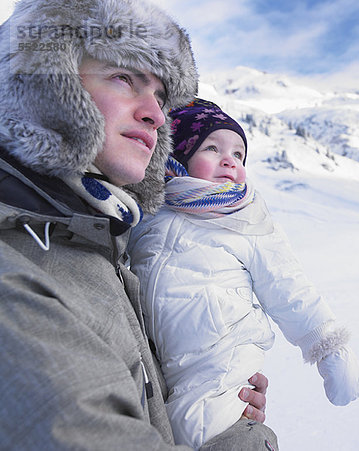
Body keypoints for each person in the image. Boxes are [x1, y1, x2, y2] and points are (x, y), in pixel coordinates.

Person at [0, 0, 275, 449]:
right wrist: (244, 440)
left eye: (162, 96)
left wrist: (203, 400)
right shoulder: (17, 273)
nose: (157, 114)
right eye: (125, 78)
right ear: (43, 85)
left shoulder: (96, 243)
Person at [127, 98, 359, 449]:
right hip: (162, 362)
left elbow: (289, 286)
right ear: (178, 157)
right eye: (212, 148)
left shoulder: (245, 217)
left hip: (222, 360)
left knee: (194, 433)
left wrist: (330, 348)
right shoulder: (148, 211)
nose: (229, 160)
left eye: (239, 154)